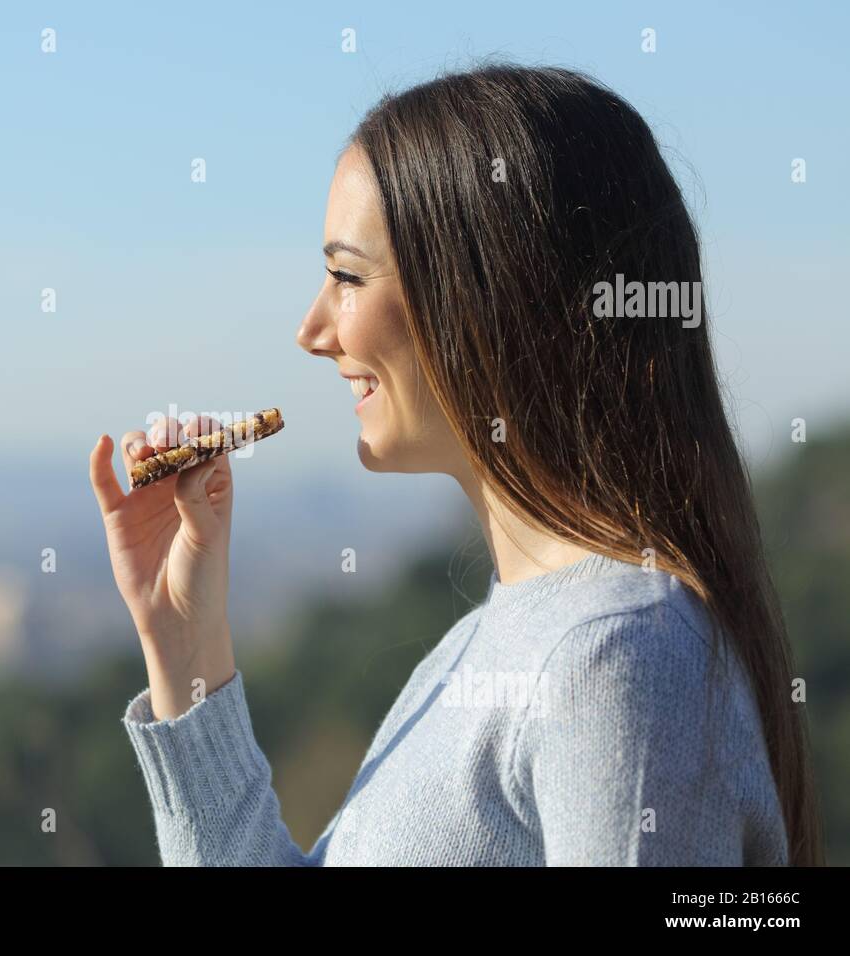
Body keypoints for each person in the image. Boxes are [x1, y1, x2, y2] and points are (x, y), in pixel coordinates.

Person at [87, 64, 820, 866]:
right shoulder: (494, 646)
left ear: (489, 293)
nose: (312, 328)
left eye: (346, 276)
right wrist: (185, 642)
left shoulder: (616, 654)